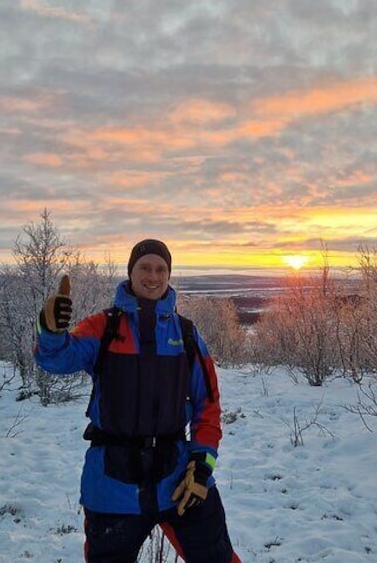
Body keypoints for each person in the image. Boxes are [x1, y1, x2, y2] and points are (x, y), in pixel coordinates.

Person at [34, 239, 240, 563]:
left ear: (169, 275)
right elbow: (56, 360)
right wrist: (49, 330)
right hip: (113, 484)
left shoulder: (186, 334)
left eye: (161, 269)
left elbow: (207, 404)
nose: (153, 276)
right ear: (130, 272)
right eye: (144, 267)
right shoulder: (104, 327)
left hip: (178, 478)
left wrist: (201, 468)